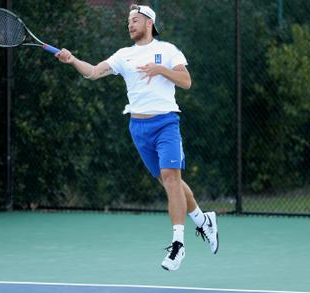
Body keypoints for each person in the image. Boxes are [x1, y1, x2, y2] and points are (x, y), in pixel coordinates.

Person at [55, 4, 218, 271]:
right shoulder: (123, 55)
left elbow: (186, 81)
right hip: (138, 128)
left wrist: (161, 70)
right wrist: (72, 60)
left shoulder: (168, 50)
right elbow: (94, 72)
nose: (130, 24)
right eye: (128, 21)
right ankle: (203, 221)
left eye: (135, 20)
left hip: (166, 122)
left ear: (149, 23)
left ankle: (178, 244)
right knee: (170, 182)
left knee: (171, 178)